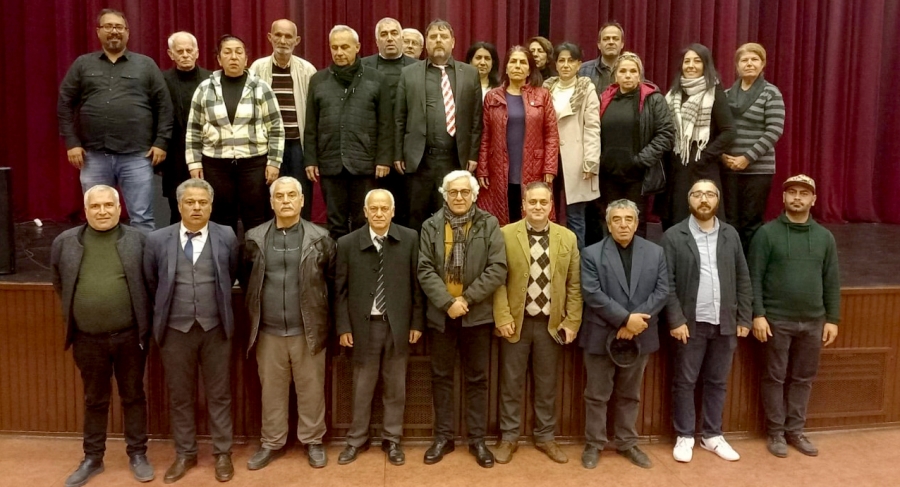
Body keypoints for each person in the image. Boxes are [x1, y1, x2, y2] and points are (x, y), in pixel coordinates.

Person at [51, 185, 153, 487]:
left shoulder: (139, 241)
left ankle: (138, 454)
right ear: (85, 211)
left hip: (130, 337)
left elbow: (151, 283)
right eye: (95, 206)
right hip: (87, 339)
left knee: (133, 396)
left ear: (120, 208)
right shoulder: (65, 243)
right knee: (94, 399)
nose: (103, 211)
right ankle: (92, 458)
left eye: (109, 205)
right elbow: (59, 282)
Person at [144, 178, 239, 483]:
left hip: (216, 329)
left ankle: (222, 453)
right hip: (175, 331)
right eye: (190, 202)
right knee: (180, 396)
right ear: (179, 205)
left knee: (220, 395)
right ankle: (185, 453)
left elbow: (231, 272)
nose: (196, 207)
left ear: (211, 206)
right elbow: (152, 282)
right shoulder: (157, 240)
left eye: (202, 202)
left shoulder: (227, 235)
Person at [240, 176, 336, 470]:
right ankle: (272, 442)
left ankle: (313, 440)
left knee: (311, 390)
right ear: (271, 202)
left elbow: (332, 282)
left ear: (302, 200)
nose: (285, 201)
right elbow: (246, 279)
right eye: (279, 196)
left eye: (291, 195)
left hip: (308, 330)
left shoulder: (321, 238)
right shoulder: (254, 238)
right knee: (272, 391)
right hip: (268, 332)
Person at [418, 171, 507, 468]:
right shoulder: (430, 226)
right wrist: (448, 303)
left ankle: (477, 440)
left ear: (474, 195)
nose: (459, 197)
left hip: (476, 316)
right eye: (453, 192)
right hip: (441, 316)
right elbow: (424, 269)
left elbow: (497, 268)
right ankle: (443, 438)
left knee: (477, 379)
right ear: (445, 195)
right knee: (441, 377)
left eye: (464, 192)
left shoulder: (489, 224)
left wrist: (466, 300)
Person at [57, 8, 173, 233]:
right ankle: (102, 255)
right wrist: (72, 143)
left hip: (137, 156)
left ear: (127, 32)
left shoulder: (146, 65)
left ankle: (141, 257)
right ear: (98, 31)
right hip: (93, 156)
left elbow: (164, 106)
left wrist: (161, 142)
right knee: (98, 216)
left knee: (142, 217)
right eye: (108, 26)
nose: (114, 31)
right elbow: (64, 104)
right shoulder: (83, 64)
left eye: (119, 27)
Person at [749, 175, 840, 458]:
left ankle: (795, 431)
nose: (797, 198)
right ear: (784, 198)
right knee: (774, 377)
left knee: (803, 379)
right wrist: (758, 314)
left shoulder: (825, 237)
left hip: (813, 322)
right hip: (776, 321)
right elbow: (753, 278)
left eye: (804, 193)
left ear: (813, 200)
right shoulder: (766, 234)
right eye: (792, 193)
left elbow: (831, 281)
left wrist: (832, 319)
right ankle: (776, 432)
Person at [491, 182, 582, 465]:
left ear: (551, 206)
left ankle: (545, 437)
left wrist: (572, 321)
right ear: (523, 205)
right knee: (510, 384)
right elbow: (498, 281)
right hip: (516, 323)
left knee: (547, 385)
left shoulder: (567, 238)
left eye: (543, 202)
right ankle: (509, 437)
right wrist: (503, 317)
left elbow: (574, 285)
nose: (538, 207)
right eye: (533, 202)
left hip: (550, 326)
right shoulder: (505, 234)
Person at [662, 180, 752, 463]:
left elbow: (742, 277)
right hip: (689, 324)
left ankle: (712, 436)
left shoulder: (730, 234)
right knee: (685, 381)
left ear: (717, 200)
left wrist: (744, 317)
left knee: (717, 381)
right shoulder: (673, 236)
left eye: (710, 194)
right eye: (698, 194)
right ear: (689, 200)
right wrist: (675, 319)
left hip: (724, 322)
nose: (704, 199)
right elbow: (667, 283)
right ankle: (685, 435)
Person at [335, 189, 424, 466]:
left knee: (396, 387)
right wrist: (343, 326)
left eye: (384, 208)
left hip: (398, 326)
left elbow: (417, 285)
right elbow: (339, 290)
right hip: (364, 328)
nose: (379, 213)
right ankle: (356, 440)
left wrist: (416, 322)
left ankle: (392, 439)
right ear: (365, 212)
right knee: (362, 387)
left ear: (393, 211)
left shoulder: (410, 239)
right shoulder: (347, 243)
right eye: (373, 208)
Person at [579, 199, 668, 470]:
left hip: (640, 334)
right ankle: (594, 444)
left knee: (630, 394)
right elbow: (592, 294)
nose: (623, 225)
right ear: (608, 224)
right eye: (616, 220)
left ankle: (627, 442)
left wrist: (634, 322)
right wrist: (626, 319)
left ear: (637, 223)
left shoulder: (656, 253)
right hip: (601, 334)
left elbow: (662, 291)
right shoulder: (591, 254)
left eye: (629, 219)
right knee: (597, 394)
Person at [186, 35, 284, 233]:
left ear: (246, 59)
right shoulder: (205, 89)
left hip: (254, 164)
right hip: (216, 164)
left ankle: (254, 253)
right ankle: (225, 253)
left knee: (256, 216)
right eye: (228, 52)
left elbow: (276, 127)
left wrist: (274, 162)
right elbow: (194, 129)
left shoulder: (261, 87)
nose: (233, 57)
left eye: (239, 52)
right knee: (221, 217)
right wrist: (194, 163)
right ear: (219, 59)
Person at [394, 19, 484, 231]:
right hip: (419, 160)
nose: (438, 41)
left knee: (453, 216)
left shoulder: (470, 74)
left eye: (443, 37)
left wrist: (473, 155)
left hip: (455, 158)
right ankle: (418, 254)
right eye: (433, 37)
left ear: (453, 42)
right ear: (426, 43)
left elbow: (476, 119)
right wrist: (398, 154)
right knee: (416, 216)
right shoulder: (409, 73)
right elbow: (399, 117)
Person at [305, 25, 392, 240]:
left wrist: (384, 159)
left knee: (364, 221)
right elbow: (311, 124)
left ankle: (362, 261)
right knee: (335, 223)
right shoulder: (317, 80)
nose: (339, 52)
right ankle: (338, 262)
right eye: (334, 47)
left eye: (344, 47)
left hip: (365, 163)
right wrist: (311, 160)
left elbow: (386, 123)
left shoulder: (377, 79)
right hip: (330, 162)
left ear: (357, 47)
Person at [477, 46, 559, 226]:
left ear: (529, 70)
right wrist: (482, 168)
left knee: (531, 215)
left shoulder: (542, 95)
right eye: (513, 61)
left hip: (534, 166)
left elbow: (551, 135)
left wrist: (549, 168)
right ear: (506, 67)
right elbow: (485, 135)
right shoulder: (492, 96)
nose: (517, 66)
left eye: (523, 62)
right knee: (503, 217)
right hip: (498, 167)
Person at [598, 52, 674, 239]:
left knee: (634, 225)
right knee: (610, 223)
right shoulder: (605, 98)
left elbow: (666, 134)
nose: (628, 75)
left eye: (633, 71)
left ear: (640, 75)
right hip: (608, 176)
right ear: (615, 75)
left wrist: (641, 161)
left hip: (637, 176)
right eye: (623, 71)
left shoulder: (653, 99)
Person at [249, 19, 318, 221]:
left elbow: (314, 115)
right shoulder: (257, 69)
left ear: (297, 40)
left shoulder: (307, 70)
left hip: (298, 145)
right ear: (270, 37)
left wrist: (312, 154)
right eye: (278, 35)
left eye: (288, 36)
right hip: (267, 146)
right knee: (268, 196)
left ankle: (302, 235)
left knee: (300, 195)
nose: (283, 40)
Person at [660, 43, 735, 228]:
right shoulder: (673, 94)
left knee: (703, 219)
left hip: (703, 169)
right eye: (687, 61)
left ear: (705, 65)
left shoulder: (714, 92)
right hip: (676, 168)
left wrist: (704, 157)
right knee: (676, 221)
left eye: (697, 61)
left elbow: (729, 131)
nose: (691, 66)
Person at [722, 43, 786, 252]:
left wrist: (747, 158)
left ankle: (751, 266)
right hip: (729, 168)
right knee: (729, 221)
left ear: (762, 64)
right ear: (737, 66)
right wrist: (722, 156)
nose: (749, 64)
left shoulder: (771, 93)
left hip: (758, 170)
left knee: (751, 223)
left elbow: (774, 130)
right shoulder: (726, 94)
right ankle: (732, 264)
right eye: (744, 60)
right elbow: (718, 128)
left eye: (754, 59)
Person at [543, 42, 600, 249]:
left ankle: (577, 263)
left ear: (579, 64)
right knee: (547, 211)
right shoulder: (546, 89)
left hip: (576, 159)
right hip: (548, 157)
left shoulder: (586, 89)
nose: (566, 65)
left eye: (571, 61)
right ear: (555, 64)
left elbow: (592, 127)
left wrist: (591, 160)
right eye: (561, 61)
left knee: (575, 216)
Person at [362, 17, 418, 227]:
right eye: (384, 34)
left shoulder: (417, 67)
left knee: (405, 211)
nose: (390, 38)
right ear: (376, 41)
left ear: (402, 38)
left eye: (394, 33)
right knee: (374, 208)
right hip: (372, 152)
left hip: (409, 151)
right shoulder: (363, 66)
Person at [162, 32, 211, 225]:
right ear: (171, 54)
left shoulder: (211, 79)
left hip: (207, 154)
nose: (185, 55)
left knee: (208, 202)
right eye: (179, 51)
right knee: (178, 207)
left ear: (197, 52)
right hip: (174, 155)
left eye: (189, 50)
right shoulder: (162, 80)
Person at [578, 22, 625, 96]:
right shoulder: (583, 70)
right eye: (606, 39)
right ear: (599, 45)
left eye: (615, 39)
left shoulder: (632, 71)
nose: (611, 42)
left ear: (622, 44)